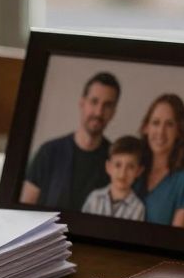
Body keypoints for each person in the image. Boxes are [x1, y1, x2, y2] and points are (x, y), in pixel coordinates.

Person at [20, 72, 120, 209]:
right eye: (94, 101)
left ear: (113, 111)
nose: (98, 112)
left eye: (107, 105)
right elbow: (24, 209)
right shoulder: (49, 152)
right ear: (82, 103)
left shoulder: (117, 162)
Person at [133, 93, 184, 227]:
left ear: (179, 131)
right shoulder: (131, 167)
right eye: (156, 123)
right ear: (146, 127)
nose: (161, 132)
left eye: (169, 124)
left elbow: (176, 239)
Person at [81, 135, 147, 221]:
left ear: (138, 171)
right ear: (108, 167)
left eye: (130, 167)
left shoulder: (138, 208)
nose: (123, 173)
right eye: (118, 165)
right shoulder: (94, 198)